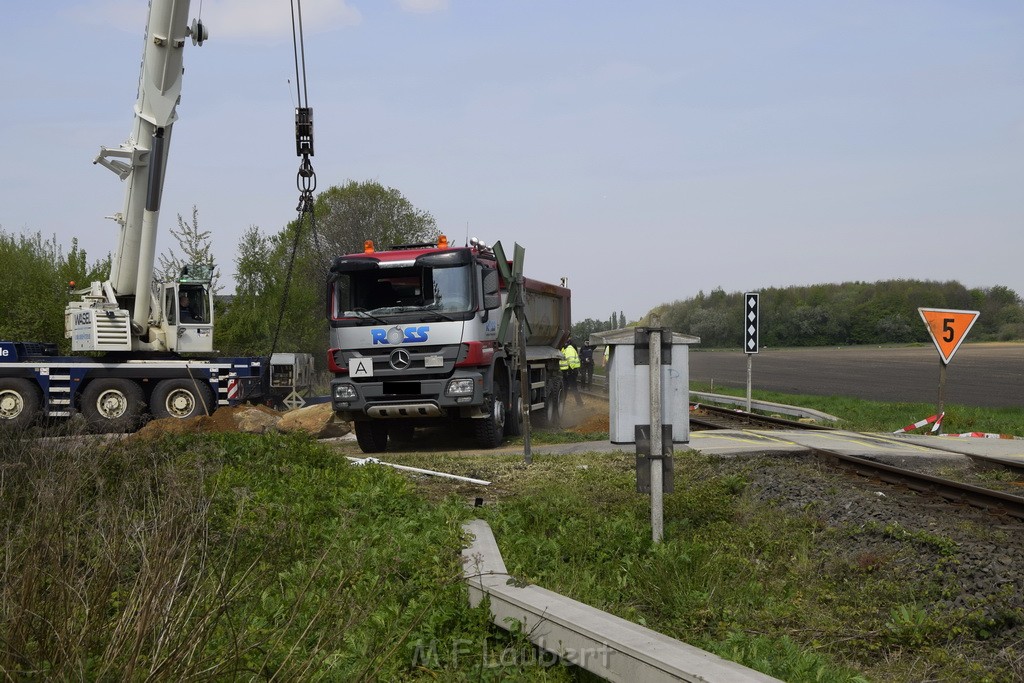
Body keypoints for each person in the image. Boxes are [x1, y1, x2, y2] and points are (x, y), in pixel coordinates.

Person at [559, 339, 584, 407]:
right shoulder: (565, 349)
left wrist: (570, 370)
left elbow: (571, 360)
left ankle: (579, 403)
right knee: (565, 388)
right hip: (567, 371)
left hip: (570, 371)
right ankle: (562, 403)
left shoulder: (569, 349)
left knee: (573, 388)